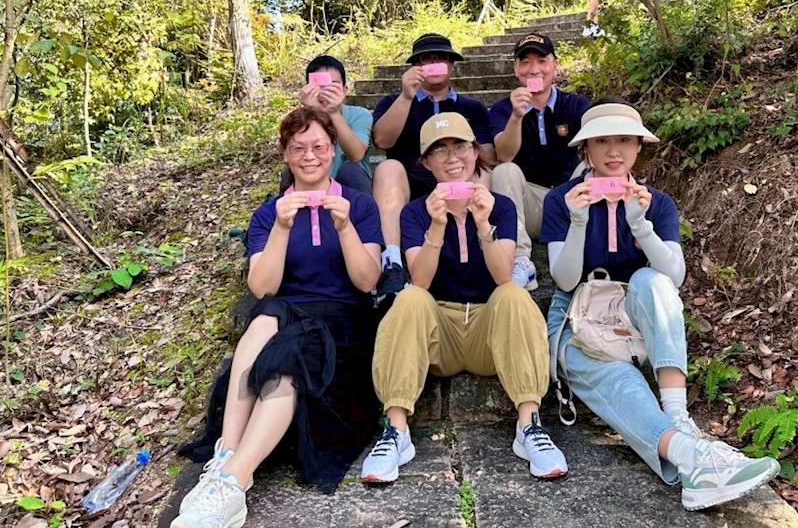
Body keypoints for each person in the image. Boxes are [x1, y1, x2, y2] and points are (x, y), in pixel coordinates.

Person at [540, 99, 779, 511]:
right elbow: (563, 280)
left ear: (638, 147)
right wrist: (578, 221)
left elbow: (674, 277)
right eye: (601, 141)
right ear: (586, 149)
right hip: (578, 315)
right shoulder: (563, 199)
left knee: (652, 280)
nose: (613, 151)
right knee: (620, 380)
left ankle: (677, 416)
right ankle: (692, 458)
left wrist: (640, 224)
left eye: (624, 140)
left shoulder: (657, 202)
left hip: (636, 313)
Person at [174, 108, 383, 527]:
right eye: (298, 148)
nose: (310, 156)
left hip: (341, 322)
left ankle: (231, 479)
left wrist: (345, 227)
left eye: (319, 146)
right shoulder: (269, 214)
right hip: (285, 314)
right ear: (285, 154)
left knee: (285, 357)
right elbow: (262, 287)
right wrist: (282, 229)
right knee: (268, 318)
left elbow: (367, 281)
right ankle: (228, 462)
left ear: (333, 150)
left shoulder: (359, 205)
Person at [361, 112, 567, 484]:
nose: (452, 158)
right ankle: (395, 430)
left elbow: (503, 276)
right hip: (440, 332)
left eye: (460, 147)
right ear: (426, 162)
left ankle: (530, 425)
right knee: (409, 299)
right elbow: (421, 280)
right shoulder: (415, 212)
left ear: (475, 153)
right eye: (439, 151)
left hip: (489, 331)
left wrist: (484, 225)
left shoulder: (500, 206)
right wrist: (437, 226)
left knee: (514, 295)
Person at [371, 34, 495, 305]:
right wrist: (406, 96)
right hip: (410, 182)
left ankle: (481, 239)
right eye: (426, 59)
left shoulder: (472, 108)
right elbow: (381, 141)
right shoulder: (394, 102)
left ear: (451, 65)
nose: (434, 63)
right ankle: (392, 262)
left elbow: (489, 155)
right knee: (388, 167)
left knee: (484, 169)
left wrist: (461, 142)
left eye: (441, 58)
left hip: (459, 181)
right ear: (415, 66)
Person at [489, 32, 590, 290]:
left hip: (571, 199)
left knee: (591, 164)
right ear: (515, 68)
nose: (534, 69)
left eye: (542, 61)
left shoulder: (576, 105)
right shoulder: (502, 109)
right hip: (531, 204)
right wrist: (516, 116)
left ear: (555, 65)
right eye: (525, 62)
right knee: (504, 171)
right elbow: (504, 155)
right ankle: (520, 259)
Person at [280, 55, 372, 194]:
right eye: (319, 86)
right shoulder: (299, 120)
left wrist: (333, 113)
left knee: (351, 169)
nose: (326, 91)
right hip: (312, 182)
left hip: (351, 186)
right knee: (287, 174)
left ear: (344, 90)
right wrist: (314, 111)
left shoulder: (359, 114)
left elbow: (356, 154)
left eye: (333, 85)